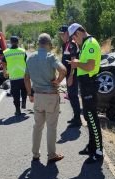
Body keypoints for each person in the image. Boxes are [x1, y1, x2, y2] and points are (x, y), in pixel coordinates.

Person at [24, 33, 66, 163]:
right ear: (48, 44)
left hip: (37, 95)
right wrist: (58, 81)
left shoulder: (30, 58)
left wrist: (30, 94)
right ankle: (51, 154)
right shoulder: (51, 57)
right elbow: (63, 70)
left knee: (38, 126)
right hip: (50, 96)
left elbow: (26, 78)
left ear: (38, 43)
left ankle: (35, 154)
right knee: (51, 127)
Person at [67, 23, 103, 164]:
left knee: (92, 118)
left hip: (89, 84)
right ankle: (91, 146)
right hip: (85, 84)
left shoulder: (91, 43)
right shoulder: (86, 44)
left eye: (74, 37)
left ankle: (98, 152)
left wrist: (76, 63)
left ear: (79, 32)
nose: (75, 40)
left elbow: (90, 66)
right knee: (88, 118)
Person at [58, 25, 82, 128]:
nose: (61, 36)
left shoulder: (71, 44)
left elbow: (73, 62)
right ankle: (75, 117)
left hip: (73, 75)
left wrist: (71, 77)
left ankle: (77, 120)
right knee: (71, 97)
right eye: (60, 35)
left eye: (63, 34)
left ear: (68, 33)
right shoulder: (66, 44)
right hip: (69, 75)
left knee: (73, 96)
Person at [2, 36, 27, 115]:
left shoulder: (6, 52)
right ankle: (23, 101)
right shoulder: (22, 51)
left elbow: (4, 63)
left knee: (15, 94)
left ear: (10, 42)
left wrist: (5, 71)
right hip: (23, 75)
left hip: (13, 76)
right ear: (18, 42)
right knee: (24, 90)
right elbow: (26, 61)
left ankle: (17, 110)